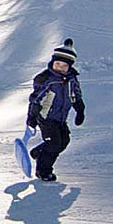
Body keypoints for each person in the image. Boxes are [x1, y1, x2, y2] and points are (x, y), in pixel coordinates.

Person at [26, 39, 85, 182]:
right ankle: (43, 171)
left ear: (69, 67)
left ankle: (39, 152)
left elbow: (76, 94)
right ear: (52, 62)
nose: (59, 68)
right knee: (54, 144)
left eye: (64, 66)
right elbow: (35, 99)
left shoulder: (71, 79)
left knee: (64, 141)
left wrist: (80, 109)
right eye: (57, 64)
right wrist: (32, 116)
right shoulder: (46, 79)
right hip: (46, 117)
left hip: (61, 117)